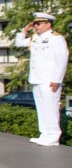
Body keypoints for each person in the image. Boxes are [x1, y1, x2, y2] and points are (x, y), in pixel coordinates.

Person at [15, 12, 69, 146]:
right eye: (35, 23)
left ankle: (53, 136)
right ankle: (44, 134)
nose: (36, 26)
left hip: (49, 80)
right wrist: (24, 30)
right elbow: (19, 42)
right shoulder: (34, 38)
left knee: (51, 107)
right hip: (37, 78)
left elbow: (62, 59)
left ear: (48, 24)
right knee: (41, 108)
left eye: (38, 23)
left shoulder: (56, 38)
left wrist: (57, 79)